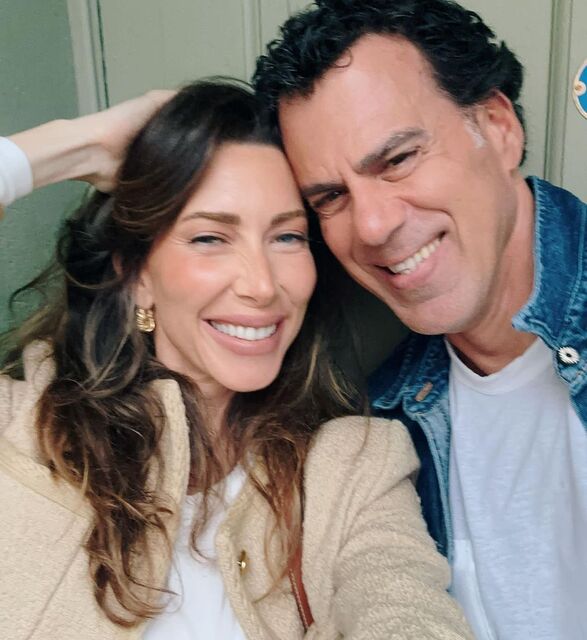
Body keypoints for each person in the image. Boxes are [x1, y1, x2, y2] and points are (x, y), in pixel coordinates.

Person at [0, 81, 472, 639]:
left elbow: (408, 613)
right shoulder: (18, 429)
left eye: (287, 237)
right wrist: (78, 145)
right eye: (210, 238)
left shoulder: (354, 468)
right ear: (137, 276)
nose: (262, 285)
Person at [252, 0, 587, 638]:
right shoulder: (380, 420)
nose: (373, 226)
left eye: (398, 158)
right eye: (332, 197)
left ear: (499, 129)